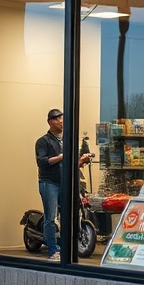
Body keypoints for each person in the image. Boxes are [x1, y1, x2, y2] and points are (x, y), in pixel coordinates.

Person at [35, 108, 92, 261]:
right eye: (57, 119)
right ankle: (53, 250)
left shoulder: (68, 140)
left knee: (68, 215)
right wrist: (61, 157)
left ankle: (66, 248)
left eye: (62, 119)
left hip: (66, 183)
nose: (60, 121)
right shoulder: (43, 141)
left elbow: (71, 163)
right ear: (50, 122)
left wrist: (81, 161)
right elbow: (42, 162)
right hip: (49, 183)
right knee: (50, 218)